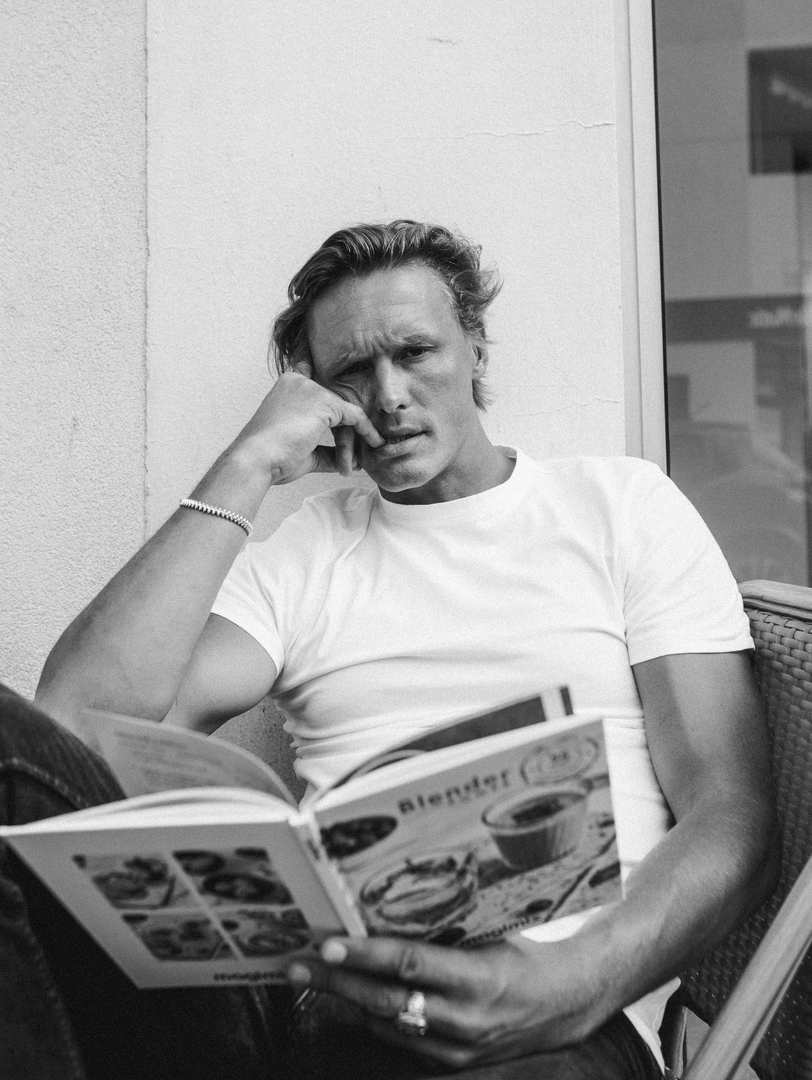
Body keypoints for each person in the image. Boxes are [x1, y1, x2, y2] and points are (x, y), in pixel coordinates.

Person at [11, 220, 776, 1078]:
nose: (388, 394)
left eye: (415, 352)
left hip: (559, 1003)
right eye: (351, 371)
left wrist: (575, 982)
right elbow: (74, 721)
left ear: (475, 347)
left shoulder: (620, 507)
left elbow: (732, 814)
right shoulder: (310, 551)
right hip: (321, 996)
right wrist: (248, 463)